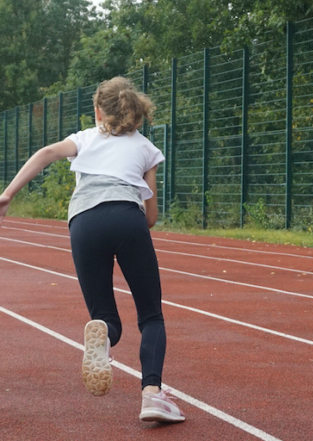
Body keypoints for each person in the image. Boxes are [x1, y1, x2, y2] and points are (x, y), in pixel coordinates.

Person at [0, 77, 185, 423]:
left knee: (106, 317)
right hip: (127, 217)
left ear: (98, 111)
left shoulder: (85, 138)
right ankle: (152, 395)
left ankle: (104, 339)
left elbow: (46, 154)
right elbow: (151, 217)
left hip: (84, 222)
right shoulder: (147, 149)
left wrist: (8, 194)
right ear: (137, 111)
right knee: (150, 316)